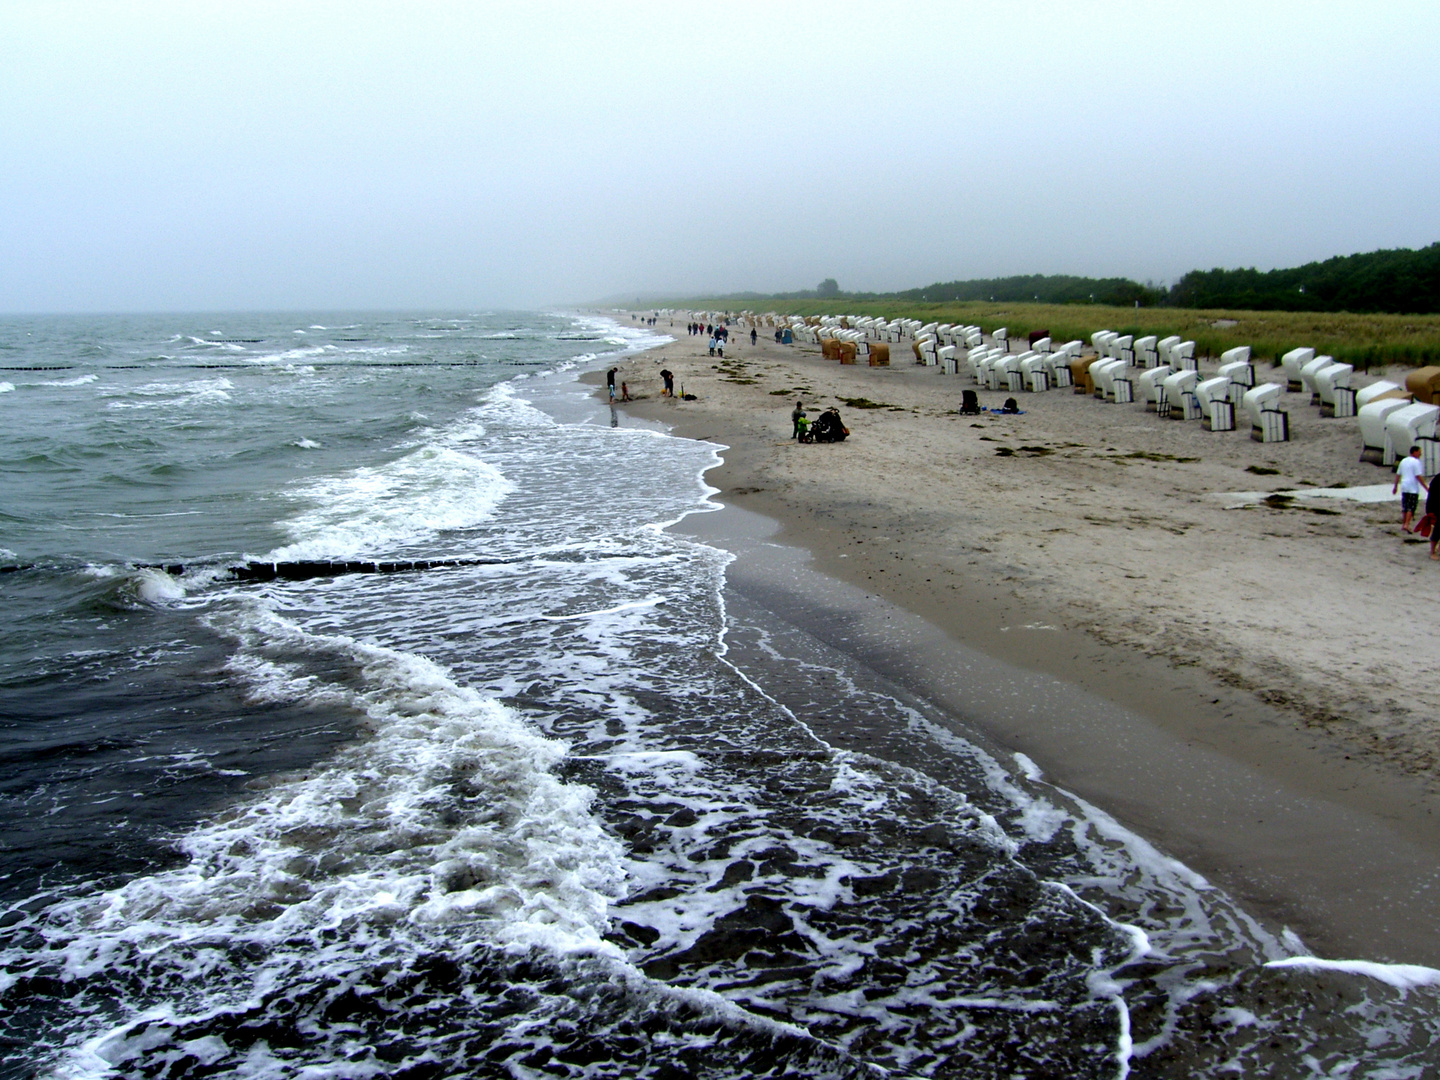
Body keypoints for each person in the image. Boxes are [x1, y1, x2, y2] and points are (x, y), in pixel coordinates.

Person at [1393, 445, 1428, 532]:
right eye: (1419, 452)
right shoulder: (1416, 462)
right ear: (1414, 452)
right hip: (1412, 487)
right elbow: (1418, 476)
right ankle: (1407, 524)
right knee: (1411, 507)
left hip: (1404, 486)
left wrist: (1395, 486)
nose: (1420, 454)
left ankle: (1404, 523)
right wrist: (1426, 487)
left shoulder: (1403, 461)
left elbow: (1398, 474)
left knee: (1405, 506)